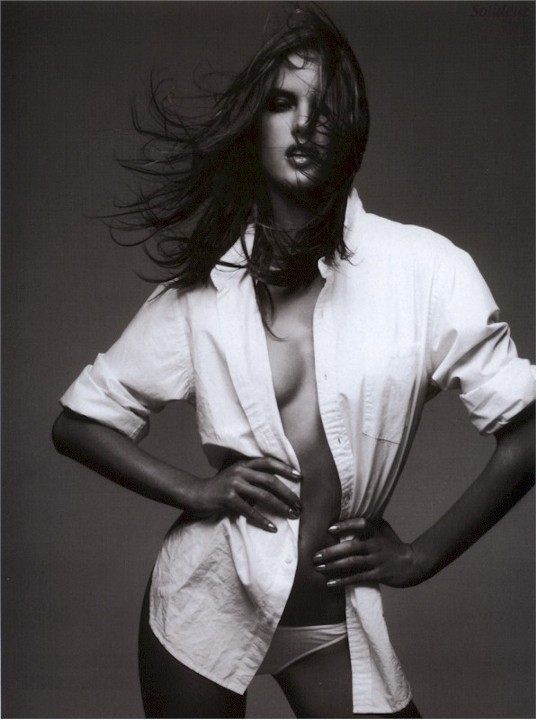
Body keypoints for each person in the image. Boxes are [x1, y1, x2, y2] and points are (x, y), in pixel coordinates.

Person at [52, 5, 535, 719]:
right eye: (282, 103)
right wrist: (197, 492)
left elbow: (527, 432)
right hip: (205, 604)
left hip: (333, 618)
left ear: (351, 128)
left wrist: (421, 556)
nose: (304, 125)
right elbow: (77, 424)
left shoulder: (427, 270)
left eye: (325, 108)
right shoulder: (204, 291)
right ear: (255, 125)